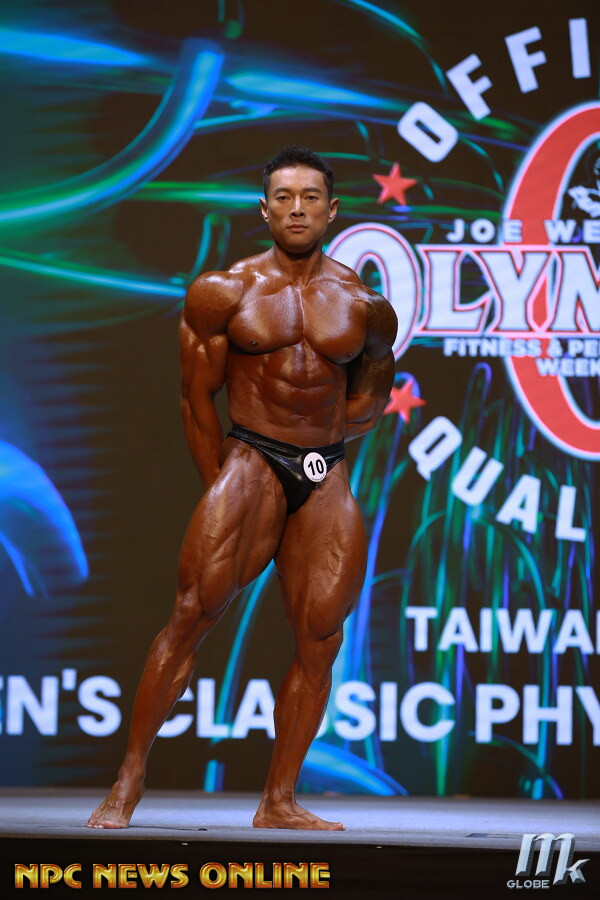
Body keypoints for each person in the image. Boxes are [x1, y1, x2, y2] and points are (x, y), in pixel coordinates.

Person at [88, 145, 397, 831]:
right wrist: (225, 481)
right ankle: (128, 781)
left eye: (310, 198)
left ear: (332, 210)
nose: (297, 209)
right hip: (252, 457)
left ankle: (278, 799)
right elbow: (195, 399)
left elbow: (372, 393)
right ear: (264, 209)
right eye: (284, 197)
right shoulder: (224, 292)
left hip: (323, 469)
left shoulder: (366, 306)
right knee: (192, 614)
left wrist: (322, 448)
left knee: (321, 635)